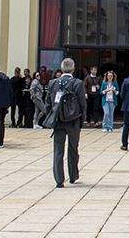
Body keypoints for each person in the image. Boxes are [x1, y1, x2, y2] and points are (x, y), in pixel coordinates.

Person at [46, 58, 86, 188]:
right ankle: (73, 175)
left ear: (62, 68)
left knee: (58, 149)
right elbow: (82, 104)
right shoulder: (78, 83)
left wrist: (51, 117)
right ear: (73, 69)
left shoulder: (53, 83)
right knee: (73, 148)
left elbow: (48, 103)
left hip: (58, 120)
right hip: (73, 120)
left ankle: (59, 179)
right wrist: (82, 120)